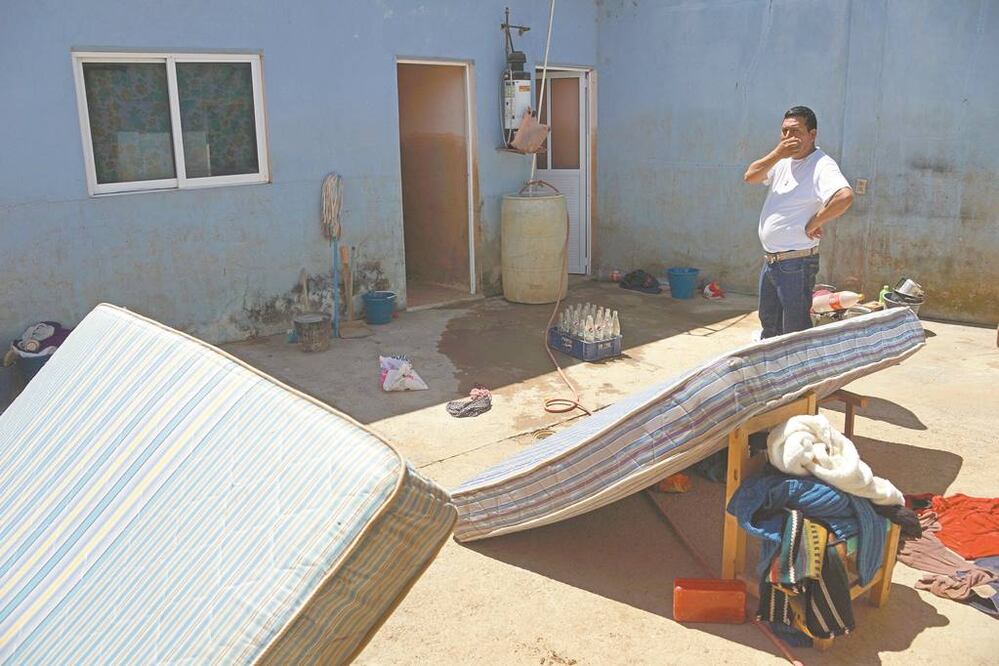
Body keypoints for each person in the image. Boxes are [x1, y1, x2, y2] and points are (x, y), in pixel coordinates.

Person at [744, 106, 854, 338]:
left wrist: (815, 221)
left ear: (812, 134)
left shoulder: (821, 165)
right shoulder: (782, 160)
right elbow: (751, 176)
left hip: (796, 262)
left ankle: (798, 371)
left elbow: (844, 197)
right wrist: (777, 154)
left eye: (795, 131)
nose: (788, 137)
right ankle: (773, 371)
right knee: (770, 324)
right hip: (772, 260)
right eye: (784, 131)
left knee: (794, 331)